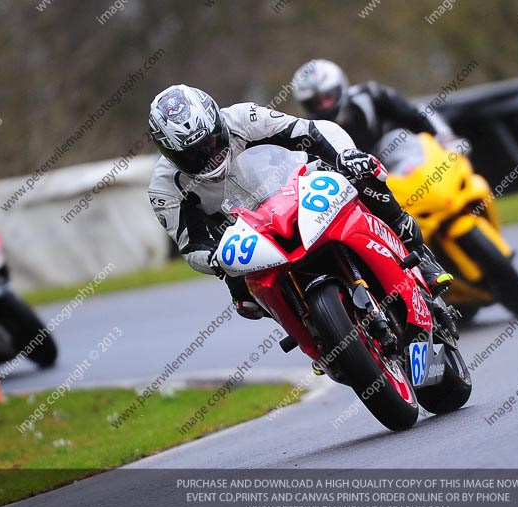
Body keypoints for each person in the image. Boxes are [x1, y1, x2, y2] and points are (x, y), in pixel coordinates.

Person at [147, 84, 453, 320]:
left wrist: (344, 157)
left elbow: (312, 131)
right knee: (245, 300)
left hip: (296, 187)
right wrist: (215, 258)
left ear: (218, 121)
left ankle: (418, 255)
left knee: (365, 175)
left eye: (211, 141)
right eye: (192, 154)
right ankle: (310, 327)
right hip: (242, 231)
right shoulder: (164, 188)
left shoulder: (246, 118)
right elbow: (190, 245)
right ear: (168, 152)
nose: (209, 154)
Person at [291, 59, 461, 154]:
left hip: (405, 172)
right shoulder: (309, 133)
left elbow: (417, 112)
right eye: (316, 102)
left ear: (340, 88)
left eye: (328, 97)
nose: (324, 106)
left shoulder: (370, 96)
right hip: (367, 200)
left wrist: (444, 138)